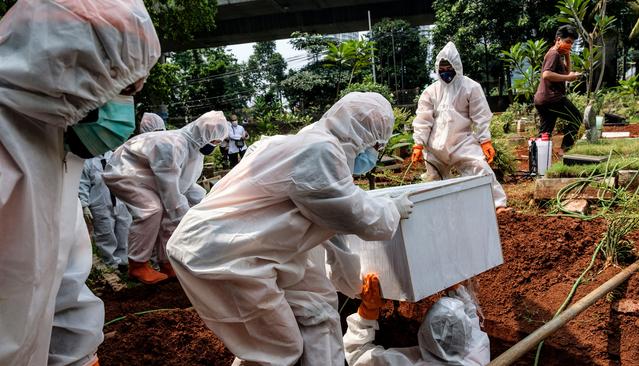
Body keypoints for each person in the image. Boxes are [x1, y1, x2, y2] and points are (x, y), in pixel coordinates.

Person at [166, 92, 415, 365]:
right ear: (360, 135)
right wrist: (392, 210)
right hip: (222, 257)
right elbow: (357, 216)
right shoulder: (320, 153)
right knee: (277, 350)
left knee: (317, 305)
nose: (374, 155)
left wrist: (355, 287)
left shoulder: (304, 146)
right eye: (376, 146)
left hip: (238, 247)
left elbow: (334, 234)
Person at [0, 0, 160, 364]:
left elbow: (63, 283)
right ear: (66, 63)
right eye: (124, 89)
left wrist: (81, 356)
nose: (124, 110)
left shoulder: (57, 149)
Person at [103, 111, 230, 284]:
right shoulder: (174, 145)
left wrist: (207, 205)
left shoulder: (195, 151)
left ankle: (167, 263)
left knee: (167, 213)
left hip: (145, 177)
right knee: (152, 210)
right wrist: (184, 219)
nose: (214, 145)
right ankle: (138, 265)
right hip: (124, 172)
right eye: (214, 141)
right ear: (204, 135)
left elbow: (186, 184)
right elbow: (170, 189)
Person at [410, 41, 508, 212]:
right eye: (442, 68)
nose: (445, 71)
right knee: (434, 181)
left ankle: (498, 205)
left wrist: (485, 141)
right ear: (437, 68)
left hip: (461, 142)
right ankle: (441, 211)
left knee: (481, 169)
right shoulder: (430, 92)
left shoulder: (471, 87)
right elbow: (423, 119)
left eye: (449, 67)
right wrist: (418, 143)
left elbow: (480, 116)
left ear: (457, 66)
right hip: (434, 146)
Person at [344, 274, 490, 366]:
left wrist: (367, 311)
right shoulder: (478, 349)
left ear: (424, 334)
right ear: (466, 332)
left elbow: (358, 355)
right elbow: (470, 316)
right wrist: (456, 289)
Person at [534, 25, 583, 154]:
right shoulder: (553, 54)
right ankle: (565, 150)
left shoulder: (557, 54)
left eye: (572, 43)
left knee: (545, 133)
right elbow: (546, 74)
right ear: (558, 39)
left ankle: (538, 161)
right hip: (552, 98)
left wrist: (567, 56)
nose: (569, 45)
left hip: (542, 99)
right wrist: (569, 77)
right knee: (577, 118)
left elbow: (567, 72)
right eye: (567, 42)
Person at [79, 150, 132, 269]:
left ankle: (124, 262)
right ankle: (111, 263)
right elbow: (83, 184)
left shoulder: (116, 156)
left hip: (120, 200)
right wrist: (84, 204)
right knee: (105, 233)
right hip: (100, 203)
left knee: (124, 230)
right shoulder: (88, 162)